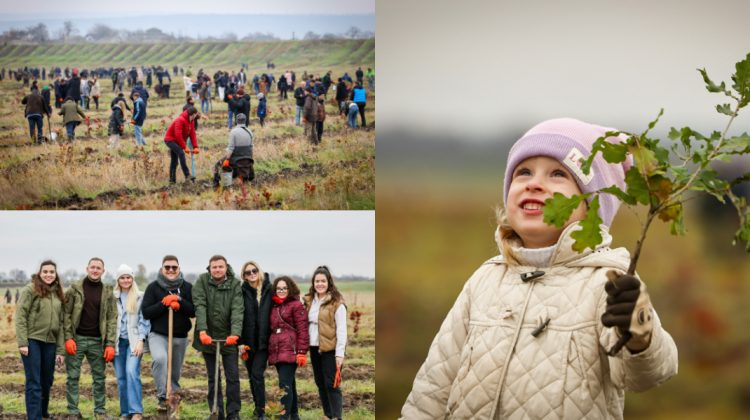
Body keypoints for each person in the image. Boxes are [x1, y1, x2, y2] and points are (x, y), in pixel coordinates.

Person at [400, 118, 679, 418]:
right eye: (523, 173)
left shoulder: (610, 279)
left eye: (558, 174)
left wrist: (639, 330)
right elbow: (434, 385)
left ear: (594, 207)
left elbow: (646, 374)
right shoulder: (485, 280)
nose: (534, 183)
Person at [63, 257, 118, 419]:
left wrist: (109, 344)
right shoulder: (74, 289)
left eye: (98, 268)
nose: (95, 270)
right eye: (92, 267)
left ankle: (100, 411)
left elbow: (111, 319)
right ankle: (73, 411)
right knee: (73, 377)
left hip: (97, 342)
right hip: (77, 339)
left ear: (103, 271)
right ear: (87, 269)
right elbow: (66, 314)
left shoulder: (108, 292)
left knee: (99, 378)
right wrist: (68, 338)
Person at [141, 255, 196, 414]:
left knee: (175, 369)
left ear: (179, 268)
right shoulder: (153, 287)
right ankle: (162, 396)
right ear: (162, 269)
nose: (171, 270)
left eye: (174, 267)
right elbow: (146, 312)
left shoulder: (187, 287)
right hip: (158, 334)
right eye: (167, 267)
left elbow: (193, 311)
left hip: (180, 335)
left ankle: (174, 395)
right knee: (160, 359)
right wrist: (163, 303)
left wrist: (179, 301)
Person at [193, 255, 244, 420]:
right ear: (209, 268)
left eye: (220, 267)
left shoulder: (235, 284)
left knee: (233, 376)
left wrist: (235, 333)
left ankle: (233, 412)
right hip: (208, 338)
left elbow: (237, 309)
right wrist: (202, 330)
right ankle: (216, 411)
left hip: (229, 338)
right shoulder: (202, 281)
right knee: (213, 378)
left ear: (226, 267)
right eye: (214, 267)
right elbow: (200, 305)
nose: (217, 270)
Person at [15, 260, 66, 420]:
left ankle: (43, 412)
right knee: (34, 381)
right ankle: (34, 416)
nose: (48, 274)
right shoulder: (30, 290)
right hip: (32, 341)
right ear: (40, 273)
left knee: (47, 380)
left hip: (50, 342)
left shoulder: (58, 293)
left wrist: (60, 350)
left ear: (55, 274)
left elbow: (62, 323)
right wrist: (23, 342)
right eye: (45, 272)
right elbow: (20, 316)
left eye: (52, 272)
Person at [303, 266, 347, 420]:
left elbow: (342, 331)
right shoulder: (309, 300)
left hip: (331, 349)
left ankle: (337, 417)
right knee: (320, 383)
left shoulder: (336, 303)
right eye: (317, 281)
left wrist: (340, 354)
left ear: (329, 282)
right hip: (314, 348)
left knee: (331, 384)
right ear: (313, 283)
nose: (319, 284)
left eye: (323, 281)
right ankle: (328, 415)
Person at [268, 276, 309, 420]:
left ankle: (283, 417)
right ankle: (294, 415)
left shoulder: (296, 305)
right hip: (277, 349)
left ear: (290, 289)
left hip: (290, 349)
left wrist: (302, 352)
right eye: (278, 288)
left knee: (284, 385)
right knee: (289, 383)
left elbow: (303, 329)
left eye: (284, 288)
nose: (281, 291)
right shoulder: (273, 306)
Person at [113, 264, 150, 420]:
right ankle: (125, 412)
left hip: (134, 341)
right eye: (122, 277)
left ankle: (136, 411)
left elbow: (144, 320)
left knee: (131, 372)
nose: (126, 280)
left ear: (132, 278)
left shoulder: (140, 296)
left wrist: (141, 340)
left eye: (128, 277)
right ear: (118, 280)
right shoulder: (112, 297)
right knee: (121, 378)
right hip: (117, 342)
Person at [239, 261, 272, 419]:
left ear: (259, 271)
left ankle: (261, 411)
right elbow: (237, 318)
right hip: (247, 343)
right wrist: (239, 343)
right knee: (252, 375)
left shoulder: (269, 289)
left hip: (264, 342)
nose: (251, 274)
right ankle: (257, 407)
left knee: (257, 374)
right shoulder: (242, 292)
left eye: (254, 270)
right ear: (244, 276)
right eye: (247, 272)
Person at [213, 113, 254, 187]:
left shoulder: (233, 132)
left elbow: (231, 148)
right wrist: (250, 159)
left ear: (236, 121)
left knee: (218, 165)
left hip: (236, 160)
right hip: (248, 158)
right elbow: (251, 148)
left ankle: (217, 185)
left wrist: (227, 159)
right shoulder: (250, 132)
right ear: (245, 121)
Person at [164, 106, 199, 184]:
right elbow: (178, 135)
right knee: (181, 153)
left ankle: (172, 181)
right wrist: (184, 146)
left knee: (174, 161)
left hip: (177, 141)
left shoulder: (191, 121)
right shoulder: (180, 120)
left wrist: (195, 146)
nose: (196, 116)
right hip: (170, 140)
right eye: (195, 115)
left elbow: (192, 134)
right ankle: (187, 175)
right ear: (193, 114)